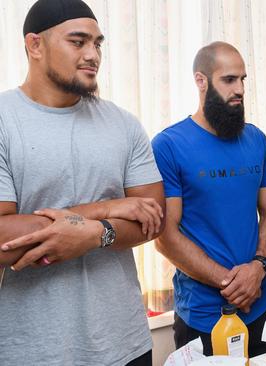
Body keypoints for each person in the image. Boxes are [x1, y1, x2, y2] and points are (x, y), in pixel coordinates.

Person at [0, 0, 166, 365]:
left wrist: (94, 233)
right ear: (35, 45)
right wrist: (105, 209)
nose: (93, 55)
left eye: (98, 43)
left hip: (125, 345)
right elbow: (3, 239)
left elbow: (153, 218)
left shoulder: (123, 124)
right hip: (32, 351)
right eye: (78, 42)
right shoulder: (4, 120)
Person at [152, 41, 266, 357]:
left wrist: (259, 267)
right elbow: (165, 237)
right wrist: (233, 283)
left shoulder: (256, 139)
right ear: (201, 81)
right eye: (229, 80)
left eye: (242, 80)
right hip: (204, 318)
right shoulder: (168, 145)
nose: (239, 89)